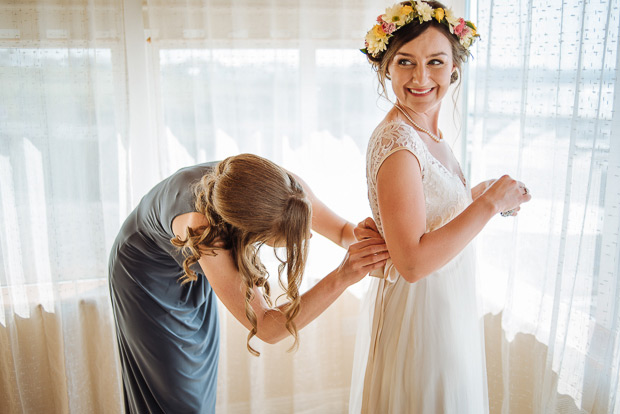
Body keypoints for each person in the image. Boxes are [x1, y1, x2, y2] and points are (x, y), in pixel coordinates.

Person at [348, 2, 532, 413]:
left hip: (447, 303)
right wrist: (485, 205)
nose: (420, 77)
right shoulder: (399, 143)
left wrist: (482, 195)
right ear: (385, 68)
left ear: (454, 68)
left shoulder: (426, 130)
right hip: (422, 313)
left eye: (435, 61)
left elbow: (430, 210)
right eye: (406, 62)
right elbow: (412, 263)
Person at [108, 153, 388, 413]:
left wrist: (367, 239)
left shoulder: (285, 190)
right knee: (177, 396)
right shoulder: (206, 233)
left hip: (191, 268)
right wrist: (342, 277)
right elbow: (266, 326)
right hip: (145, 275)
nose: (306, 237)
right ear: (251, 233)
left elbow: (340, 231)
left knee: (198, 380)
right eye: (289, 235)